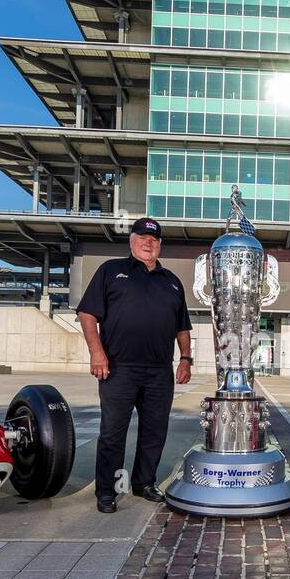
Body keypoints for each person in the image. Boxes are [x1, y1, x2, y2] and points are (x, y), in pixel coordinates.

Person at [77, 217, 193, 514]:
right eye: (142, 237)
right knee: (113, 431)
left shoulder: (172, 282)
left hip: (159, 371)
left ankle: (144, 483)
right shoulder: (111, 271)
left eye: (153, 239)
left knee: (155, 431)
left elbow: (182, 327)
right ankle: (108, 490)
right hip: (118, 368)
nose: (148, 243)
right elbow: (88, 314)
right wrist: (96, 353)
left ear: (160, 244)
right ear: (131, 241)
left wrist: (185, 359)